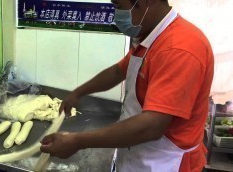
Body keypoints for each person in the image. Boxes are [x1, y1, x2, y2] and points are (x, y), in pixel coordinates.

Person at [40, 0, 214, 171]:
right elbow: (117, 71)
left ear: (146, 2)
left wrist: (78, 141)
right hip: (140, 153)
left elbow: (152, 126)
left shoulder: (179, 49)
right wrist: (78, 92)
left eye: (119, 6)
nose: (117, 16)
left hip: (166, 162)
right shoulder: (152, 38)